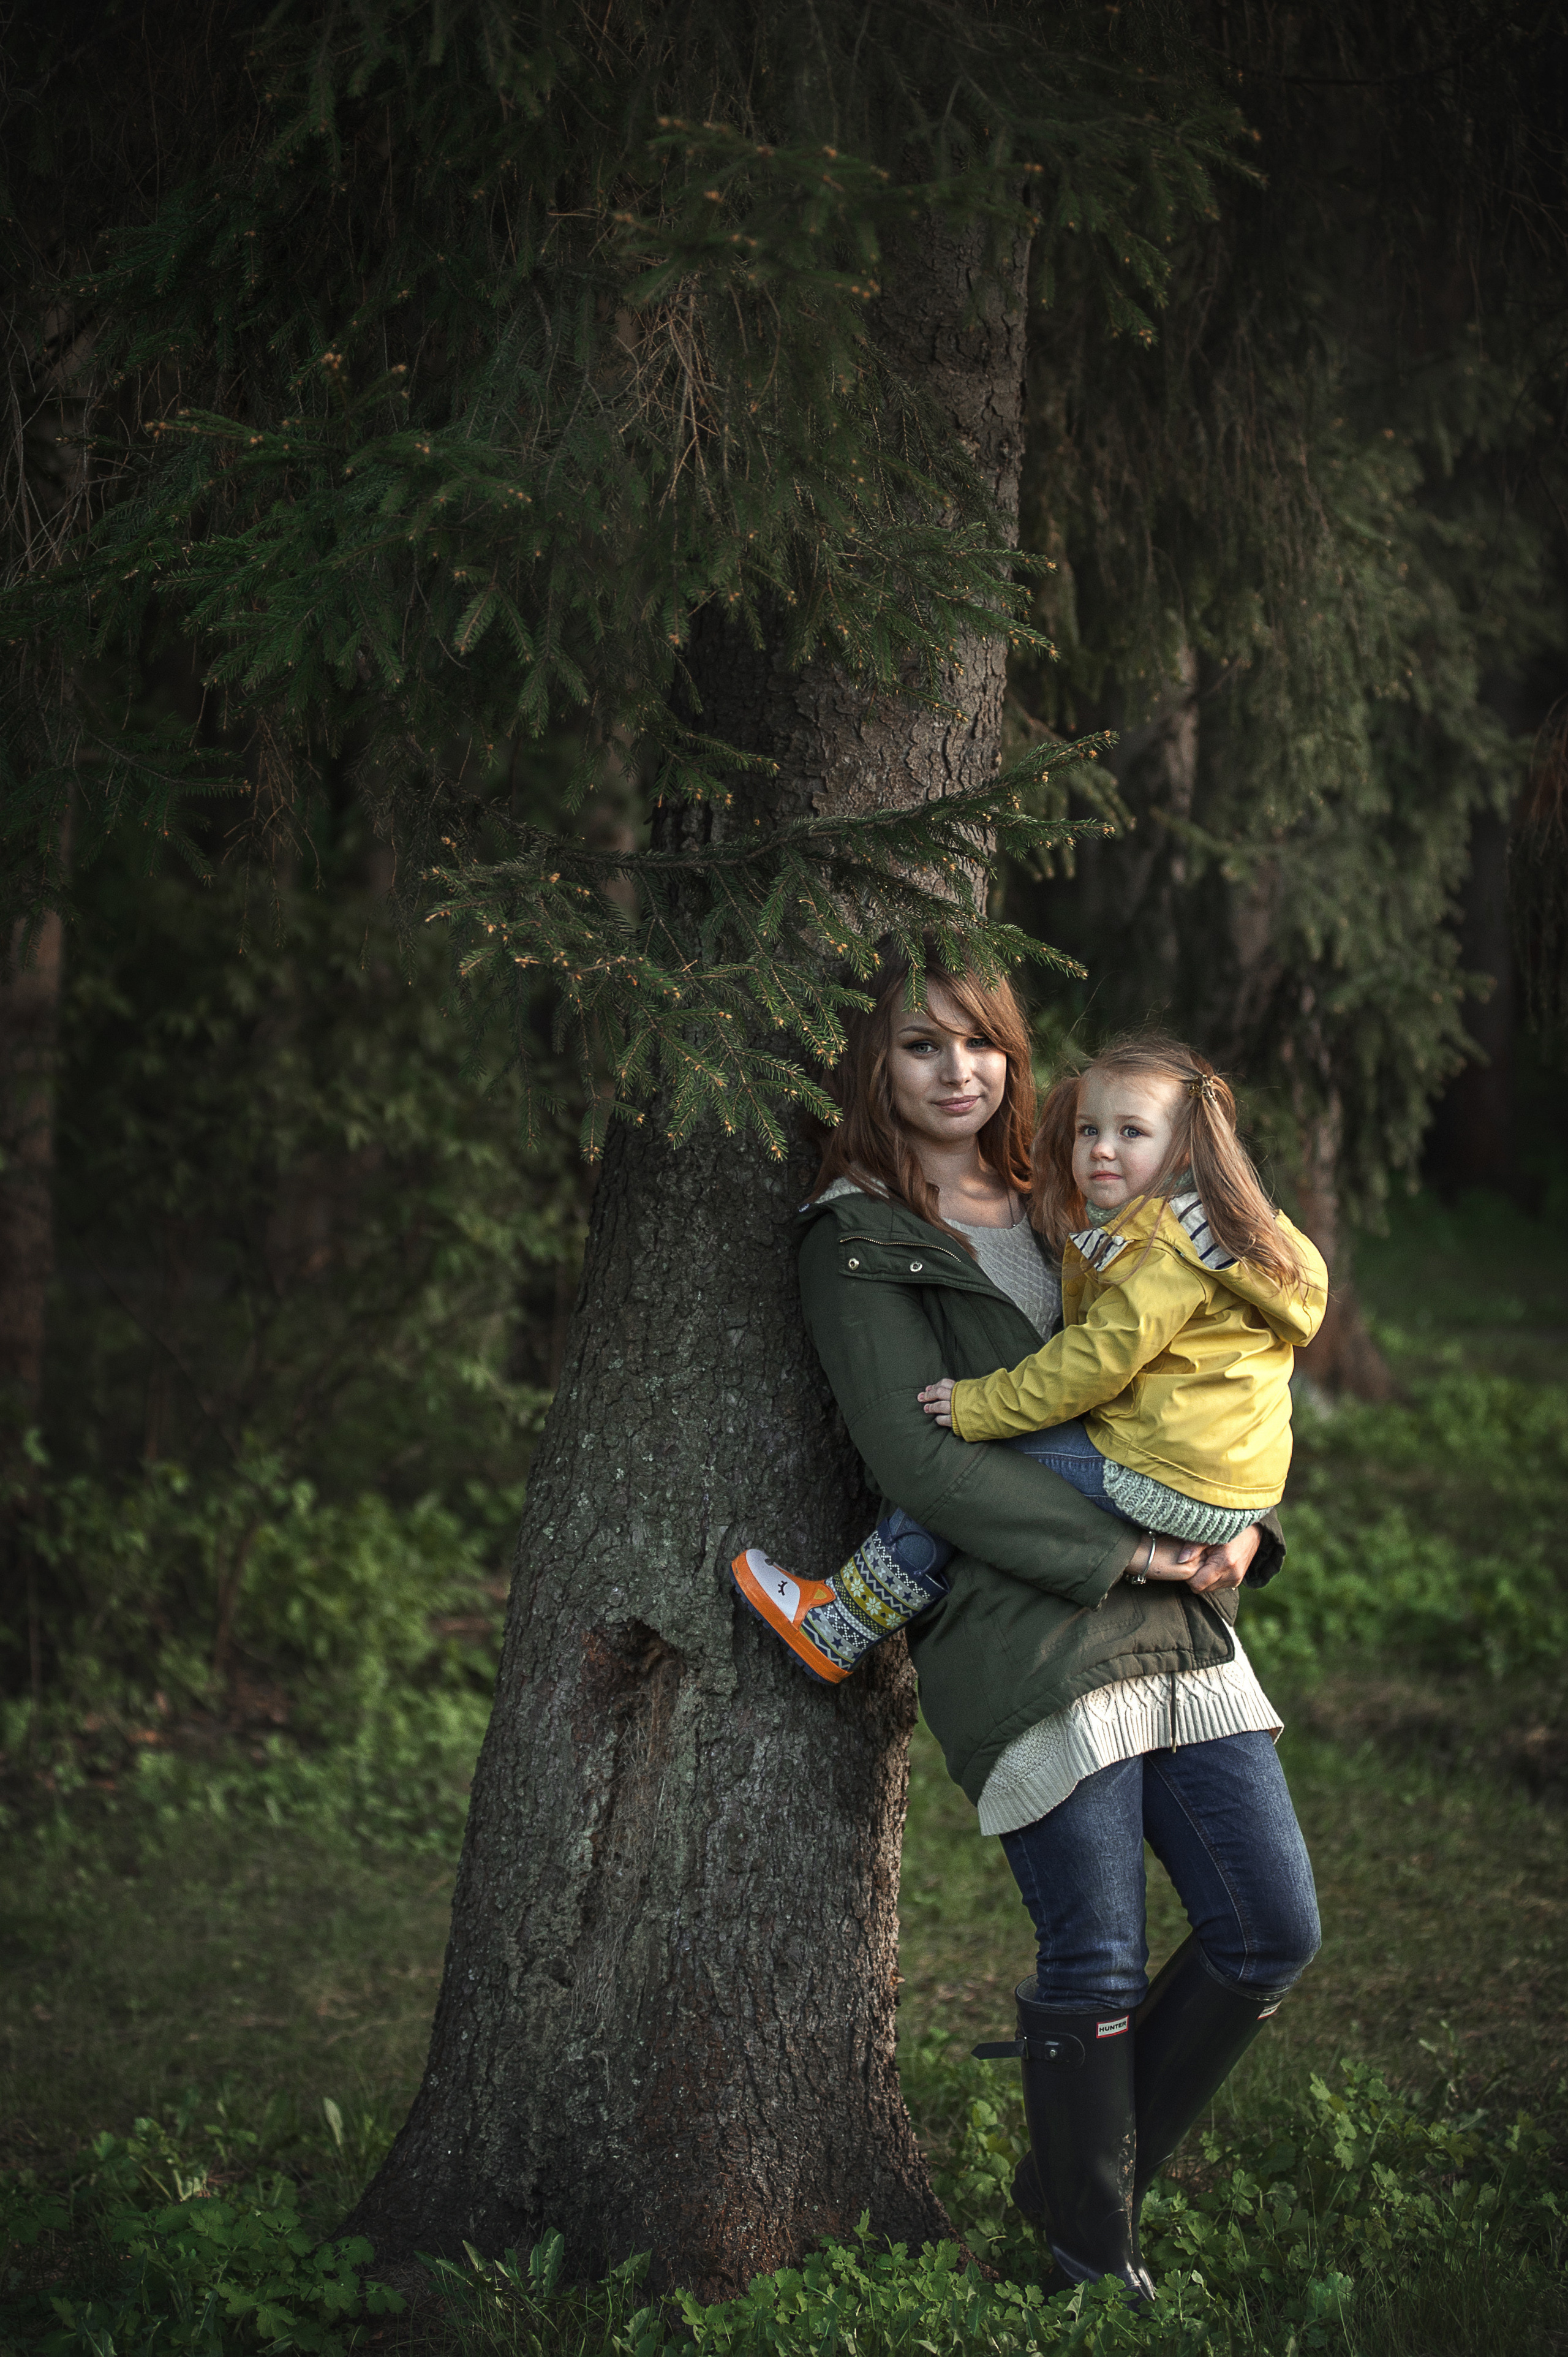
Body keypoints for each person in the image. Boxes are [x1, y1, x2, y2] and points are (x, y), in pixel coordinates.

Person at [728, 950, 1322, 2301]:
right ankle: (1086, 2261)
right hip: (1020, 1621)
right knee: (1097, 1950)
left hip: (1175, 1627)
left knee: (1267, 1931)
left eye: (980, 1045)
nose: (958, 1073)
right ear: (872, 1071)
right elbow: (919, 1466)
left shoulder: (1080, 1198)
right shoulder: (857, 1236)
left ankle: (1071, 2177)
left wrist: (1236, 1533)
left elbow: (1195, 1379)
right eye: (920, 1049)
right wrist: (1131, 1550)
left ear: (1013, 1055)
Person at [733, 1036, 1325, 1683]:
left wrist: (976, 1404)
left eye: (1131, 1131)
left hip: (1164, 1477)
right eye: (1088, 1129)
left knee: (976, 1462)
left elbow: (1090, 1365)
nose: (1102, 1148)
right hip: (1238, 1493)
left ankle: (840, 1619)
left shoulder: (1161, 1251)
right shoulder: (1240, 1237)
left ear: (1184, 1150)